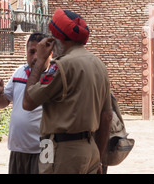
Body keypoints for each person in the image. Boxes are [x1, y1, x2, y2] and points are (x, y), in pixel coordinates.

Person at [23, 9, 112, 174]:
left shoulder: (61, 65)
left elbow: (28, 102)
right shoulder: (99, 65)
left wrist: (41, 60)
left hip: (63, 152)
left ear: (58, 39)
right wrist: (98, 157)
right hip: (90, 149)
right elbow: (107, 116)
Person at [0, 32, 49, 174]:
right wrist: (0, 92)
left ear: (49, 53)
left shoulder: (54, 75)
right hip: (18, 148)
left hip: (46, 148)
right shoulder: (19, 73)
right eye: (31, 52)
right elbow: (1, 104)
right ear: (26, 52)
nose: (35, 57)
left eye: (39, 53)